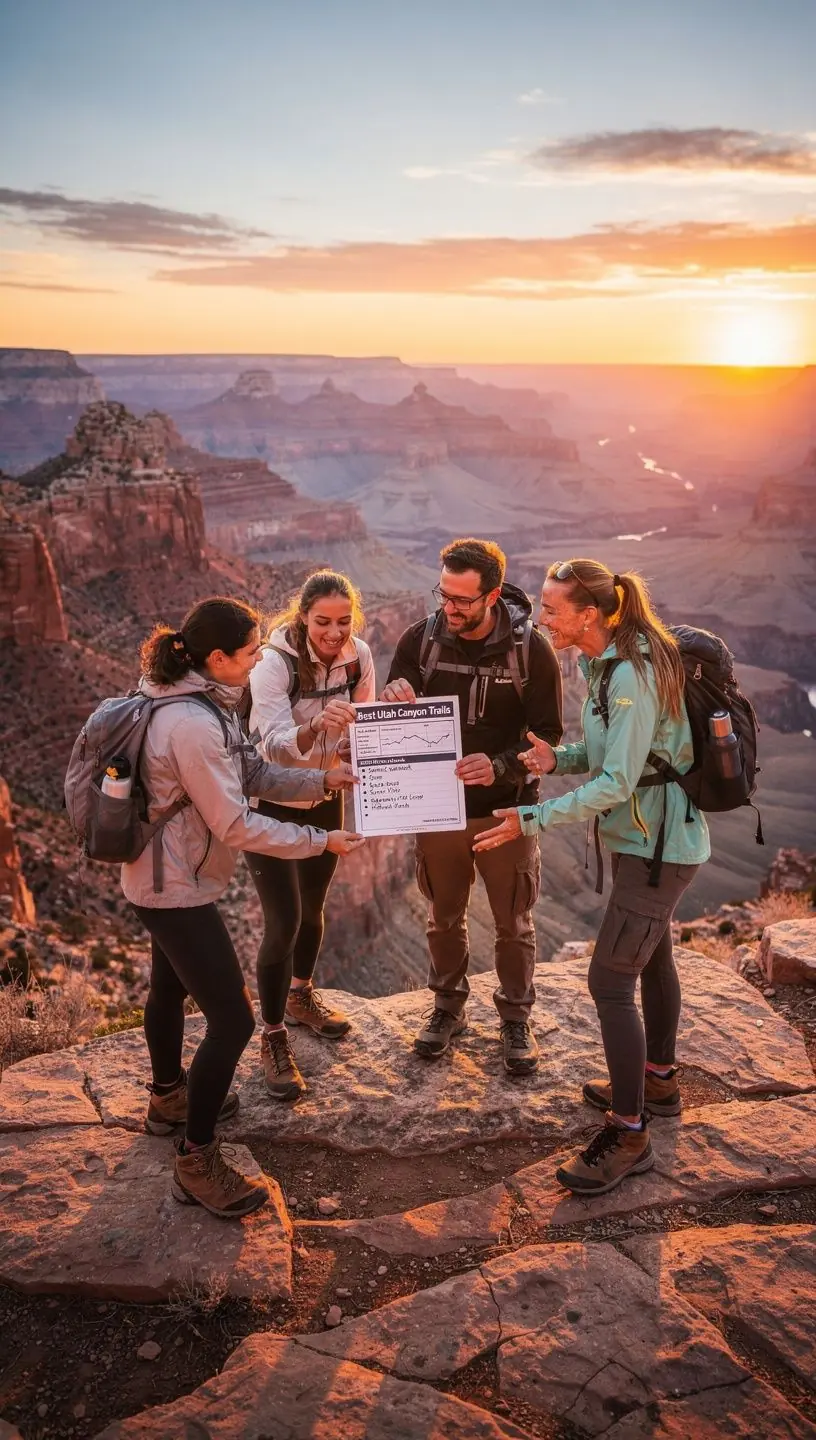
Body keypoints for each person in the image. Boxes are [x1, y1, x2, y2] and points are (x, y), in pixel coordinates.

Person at [122, 596, 364, 1219]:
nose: (261, 658)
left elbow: (251, 771)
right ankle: (195, 1158)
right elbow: (234, 822)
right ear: (218, 658)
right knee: (232, 1021)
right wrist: (320, 839)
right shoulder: (193, 723)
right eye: (253, 651)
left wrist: (321, 784)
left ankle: (167, 1099)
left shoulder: (206, 701)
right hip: (171, 884)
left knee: (168, 989)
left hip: (169, 874)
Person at [474, 559, 710, 1195]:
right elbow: (611, 757)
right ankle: (657, 1080)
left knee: (608, 981)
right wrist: (560, 757)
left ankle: (630, 1131)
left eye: (552, 610)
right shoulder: (597, 663)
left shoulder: (631, 672)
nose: (541, 619)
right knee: (653, 961)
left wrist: (531, 816)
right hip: (643, 841)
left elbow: (618, 783)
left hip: (659, 847)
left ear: (590, 616)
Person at [382, 538, 563, 1074]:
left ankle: (514, 1018)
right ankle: (446, 1008)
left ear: (492, 596)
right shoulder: (421, 640)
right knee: (443, 915)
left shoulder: (532, 651)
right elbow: (397, 713)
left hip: (507, 809)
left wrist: (501, 764)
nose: (449, 609)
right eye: (444, 596)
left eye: (462, 600)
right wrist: (395, 695)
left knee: (512, 922)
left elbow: (549, 737)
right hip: (438, 808)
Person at [247, 571, 375, 1101]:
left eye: (344, 621)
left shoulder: (358, 656)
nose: (334, 631)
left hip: (327, 796)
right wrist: (318, 726)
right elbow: (272, 747)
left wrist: (354, 740)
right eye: (323, 621)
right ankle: (272, 1035)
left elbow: (364, 728)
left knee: (315, 908)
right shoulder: (272, 665)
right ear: (302, 617)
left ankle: (302, 996)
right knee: (283, 919)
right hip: (274, 801)